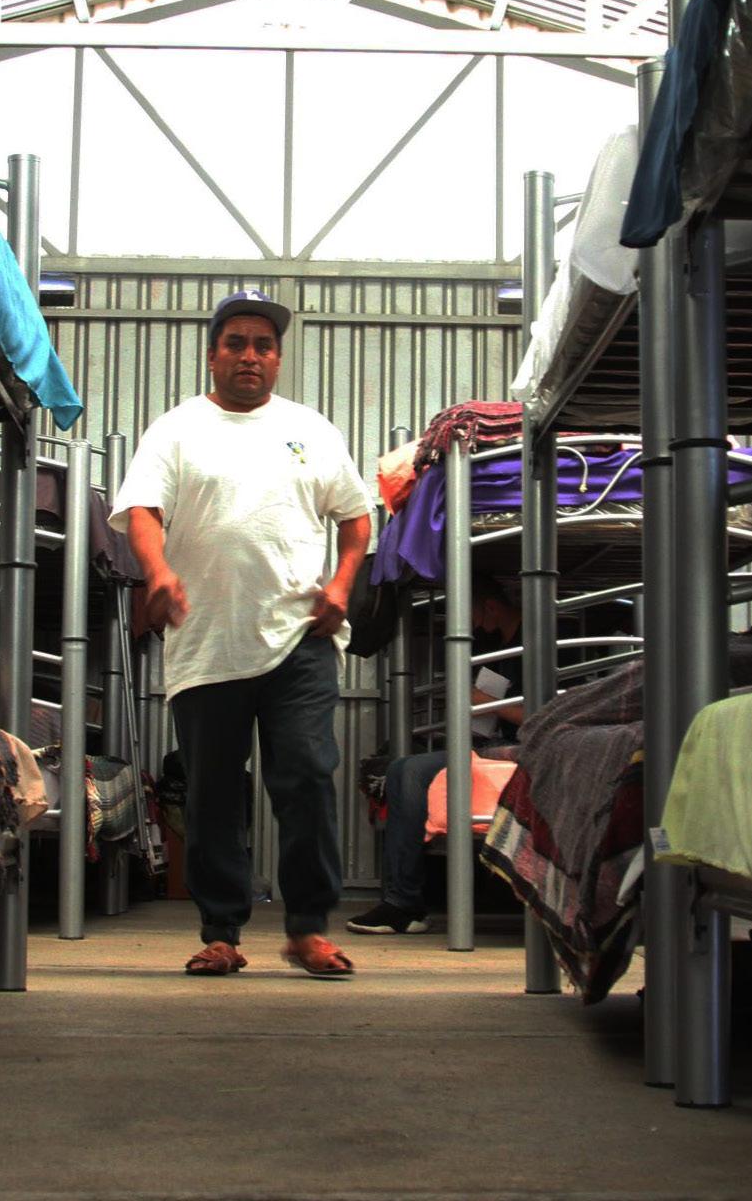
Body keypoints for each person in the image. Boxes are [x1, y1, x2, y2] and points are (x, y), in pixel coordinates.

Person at [110, 289, 374, 979]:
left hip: (300, 635)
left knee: (307, 777)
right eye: (236, 343)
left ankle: (307, 930)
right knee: (213, 793)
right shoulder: (176, 429)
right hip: (206, 639)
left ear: (278, 359)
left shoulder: (312, 429)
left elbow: (355, 517)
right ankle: (221, 931)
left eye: (263, 345)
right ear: (213, 356)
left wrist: (342, 585)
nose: (250, 355)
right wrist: (157, 571)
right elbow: (142, 510)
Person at [347, 577, 523, 936]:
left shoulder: (540, 646)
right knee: (400, 768)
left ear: (491, 607)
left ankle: (404, 903)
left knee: (410, 771)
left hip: (518, 749)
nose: (471, 624)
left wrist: (486, 703)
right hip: (493, 747)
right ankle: (402, 900)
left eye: (472, 614)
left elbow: (547, 716)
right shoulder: (501, 645)